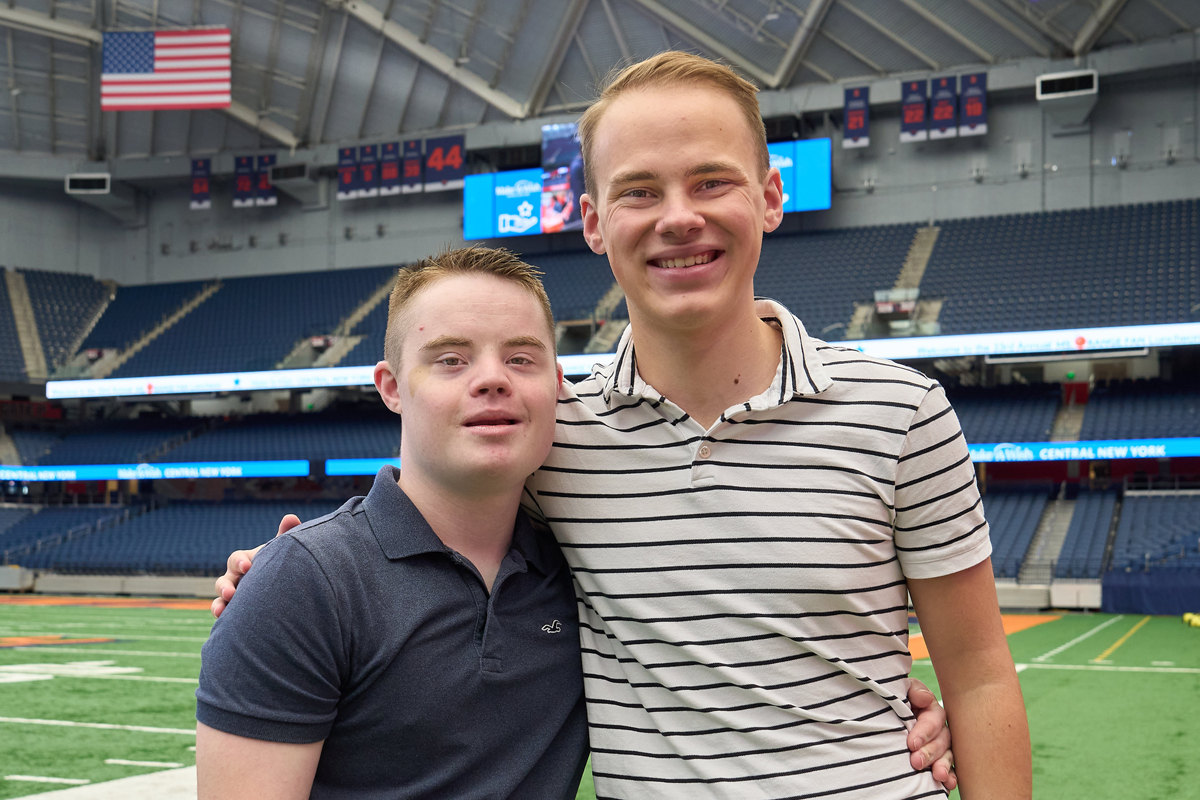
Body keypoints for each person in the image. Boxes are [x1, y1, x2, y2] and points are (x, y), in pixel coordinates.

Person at [215, 52, 1024, 798]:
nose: (678, 217)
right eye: (640, 191)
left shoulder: (904, 411)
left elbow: (981, 675)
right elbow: (437, 505)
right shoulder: (556, 434)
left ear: (770, 196)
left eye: (712, 181)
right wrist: (278, 579)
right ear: (594, 221)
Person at [195, 248, 589, 799]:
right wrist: (284, 580)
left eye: (522, 358)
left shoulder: (590, 569)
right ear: (392, 387)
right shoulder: (306, 582)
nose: (492, 378)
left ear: (557, 384)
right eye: (451, 359)